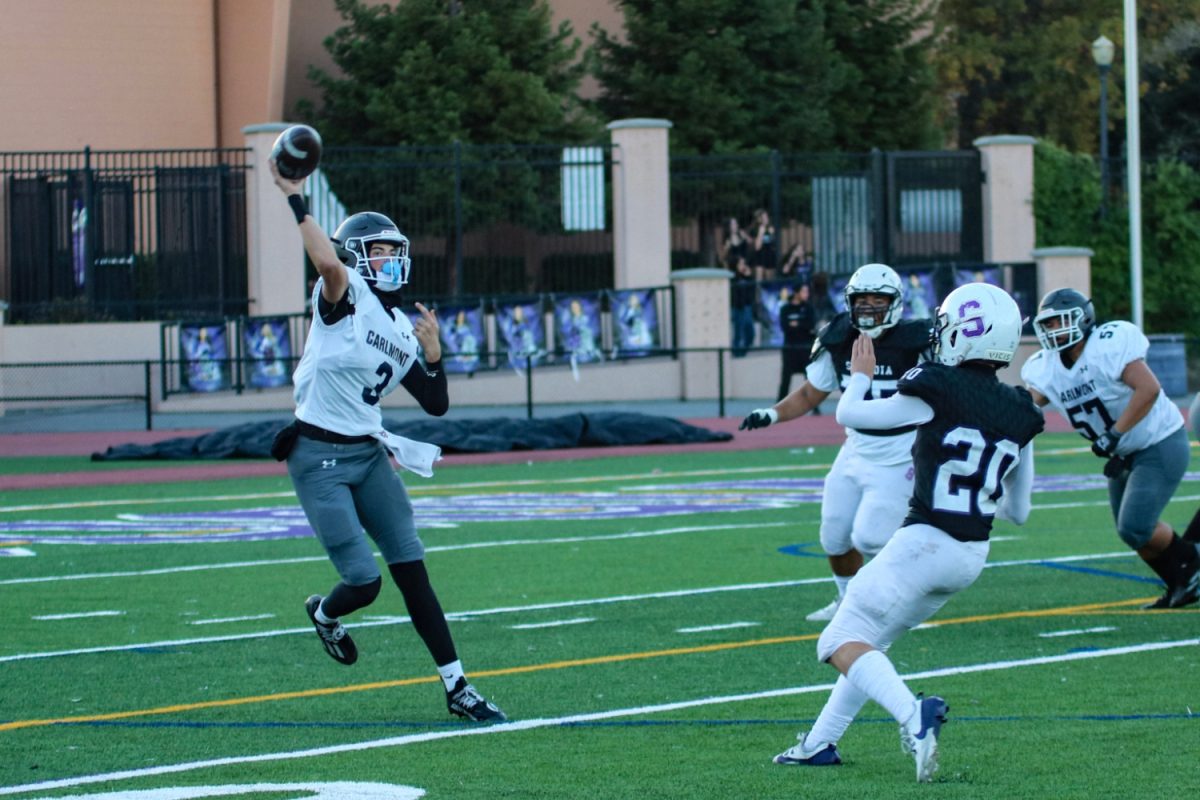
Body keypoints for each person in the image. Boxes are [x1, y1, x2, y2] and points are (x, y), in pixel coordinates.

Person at [772, 283, 1043, 782]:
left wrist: (858, 377)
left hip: (924, 541)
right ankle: (818, 743)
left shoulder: (937, 384)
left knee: (836, 641)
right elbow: (1019, 510)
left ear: (966, 333)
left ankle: (913, 718)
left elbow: (850, 414)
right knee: (871, 641)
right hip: (970, 554)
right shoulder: (1024, 410)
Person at [267, 157, 506, 722]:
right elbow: (326, 262)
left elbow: (436, 403)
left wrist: (435, 354)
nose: (390, 260)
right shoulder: (343, 301)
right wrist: (297, 198)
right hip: (318, 456)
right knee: (365, 582)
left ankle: (459, 689)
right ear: (357, 257)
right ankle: (325, 613)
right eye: (378, 251)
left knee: (412, 568)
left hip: (370, 455)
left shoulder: (399, 325)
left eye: (392, 251)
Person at [740, 263, 933, 621]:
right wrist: (772, 414)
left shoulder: (918, 340)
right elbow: (813, 392)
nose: (869, 307)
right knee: (833, 534)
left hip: (901, 454)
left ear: (895, 303)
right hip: (856, 449)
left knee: (872, 537)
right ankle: (848, 601)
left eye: (879, 299)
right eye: (862, 300)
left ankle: (905, 598)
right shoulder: (838, 337)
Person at [1021, 289, 1199, 609]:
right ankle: (1181, 582)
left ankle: (1193, 563)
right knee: (1130, 533)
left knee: (1136, 525)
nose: (1053, 329)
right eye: (1047, 324)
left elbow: (1149, 389)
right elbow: (1024, 407)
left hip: (1157, 442)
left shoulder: (1107, 344)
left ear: (1083, 319)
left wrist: (1115, 433)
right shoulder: (1045, 367)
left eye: (1060, 321)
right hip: (1121, 454)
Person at [777, 282, 816, 401]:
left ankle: (813, 405)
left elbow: (810, 325)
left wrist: (797, 324)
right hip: (789, 349)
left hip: (805, 348)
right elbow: (785, 327)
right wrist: (800, 325)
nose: (806, 294)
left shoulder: (808, 308)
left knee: (809, 378)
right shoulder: (785, 309)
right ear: (796, 293)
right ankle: (779, 404)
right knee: (786, 378)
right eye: (804, 291)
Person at [730, 256, 757, 357]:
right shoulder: (734, 278)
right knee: (738, 333)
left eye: (743, 264)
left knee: (750, 333)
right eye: (740, 264)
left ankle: (743, 351)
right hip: (738, 307)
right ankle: (737, 353)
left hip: (747, 307)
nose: (743, 266)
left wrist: (749, 277)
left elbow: (752, 290)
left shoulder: (747, 277)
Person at [749, 208, 778, 281]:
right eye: (764, 217)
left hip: (769, 256)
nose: (766, 219)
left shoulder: (771, 228)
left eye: (767, 216)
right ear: (759, 219)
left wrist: (772, 235)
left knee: (770, 280)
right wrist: (760, 233)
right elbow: (757, 247)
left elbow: (774, 245)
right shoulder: (755, 229)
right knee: (759, 281)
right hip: (760, 257)